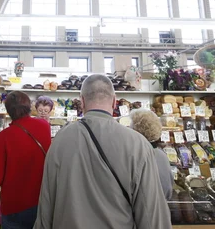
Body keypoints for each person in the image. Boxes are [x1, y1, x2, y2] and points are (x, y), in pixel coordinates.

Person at [34, 75, 171, 229]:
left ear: (82, 101)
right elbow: (151, 213)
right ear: (114, 101)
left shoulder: (59, 141)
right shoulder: (138, 145)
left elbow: (46, 204)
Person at [0, 91, 51, 229]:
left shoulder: (4, 137)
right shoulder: (44, 126)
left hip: (14, 207)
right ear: (29, 107)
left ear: (8, 111)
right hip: (41, 201)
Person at [129, 108, 173, 199]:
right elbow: (168, 189)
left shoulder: (135, 155)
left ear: (136, 130)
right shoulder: (162, 155)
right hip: (162, 207)